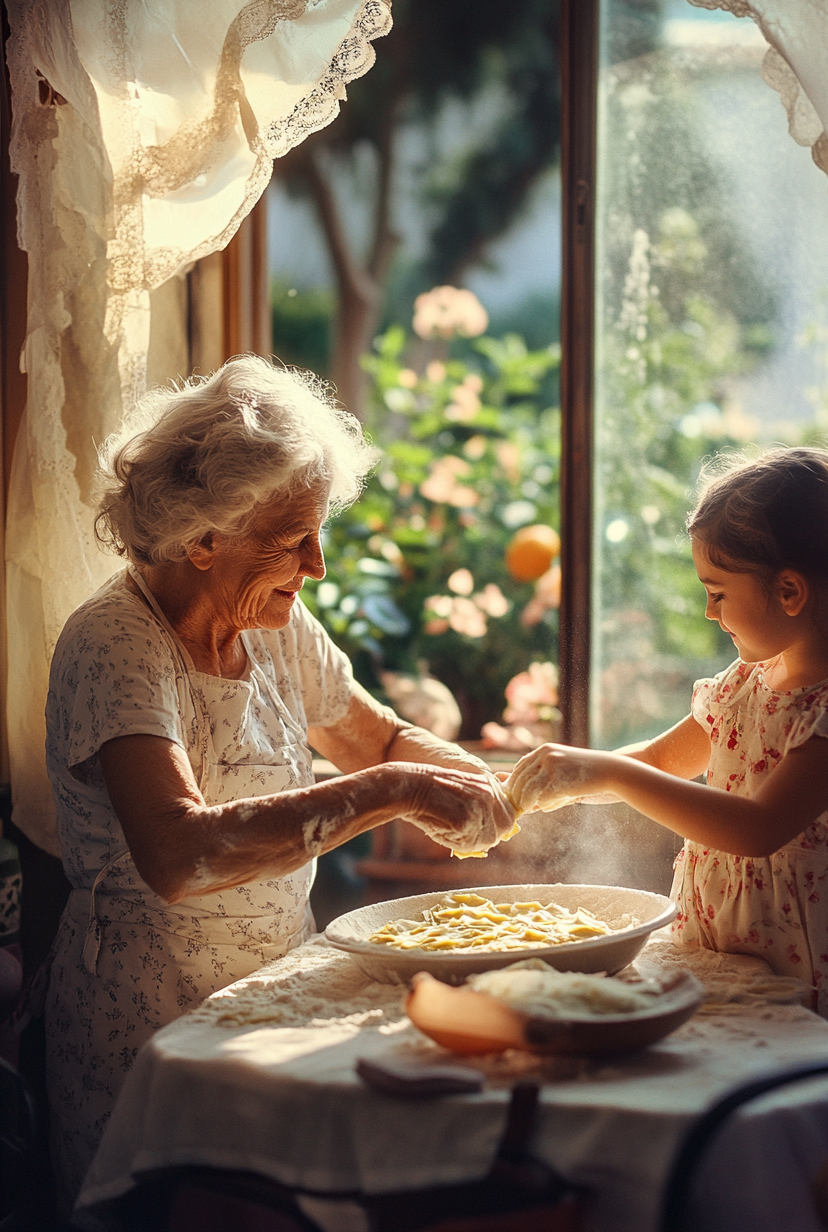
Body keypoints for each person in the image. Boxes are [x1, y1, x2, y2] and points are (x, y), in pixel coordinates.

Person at [44, 356, 516, 1203]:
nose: (319, 564)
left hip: (266, 1004)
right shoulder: (116, 644)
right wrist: (395, 792)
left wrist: (490, 785)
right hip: (149, 1027)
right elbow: (178, 854)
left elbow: (379, 742)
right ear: (203, 539)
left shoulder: (274, 621)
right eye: (294, 538)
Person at [507, 447, 828, 1036]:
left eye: (718, 593)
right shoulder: (745, 681)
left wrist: (611, 774)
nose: (707, 611)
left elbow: (756, 829)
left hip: (811, 969)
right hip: (716, 943)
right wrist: (546, 788)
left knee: (782, 1107)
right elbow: (658, 761)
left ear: (790, 591)